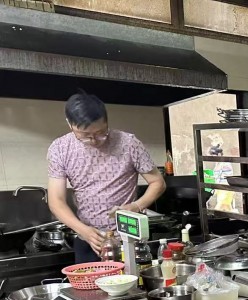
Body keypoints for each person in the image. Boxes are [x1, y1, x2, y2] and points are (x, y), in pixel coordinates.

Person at [47, 93, 166, 263]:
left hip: (127, 240)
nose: (94, 140)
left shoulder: (129, 143)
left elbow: (157, 183)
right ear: (69, 124)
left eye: (101, 132)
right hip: (88, 240)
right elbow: (56, 200)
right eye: (85, 135)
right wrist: (83, 230)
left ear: (107, 121)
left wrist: (136, 206)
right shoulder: (59, 148)